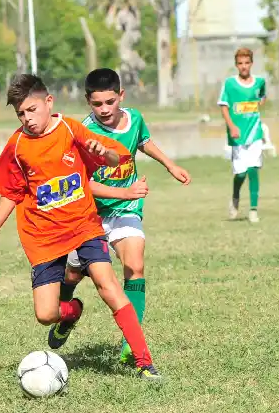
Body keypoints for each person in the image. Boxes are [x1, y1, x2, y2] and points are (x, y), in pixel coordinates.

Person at [0, 74, 162, 381]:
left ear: (48, 103)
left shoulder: (69, 127)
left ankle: (143, 362)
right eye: (21, 114)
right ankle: (72, 312)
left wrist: (101, 151)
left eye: (32, 109)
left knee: (109, 288)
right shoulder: (17, 146)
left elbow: (114, 155)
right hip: (42, 236)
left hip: (84, 224)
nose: (28, 119)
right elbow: (11, 193)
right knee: (46, 315)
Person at [59, 68, 190, 364]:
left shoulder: (135, 118)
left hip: (125, 211)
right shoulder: (83, 133)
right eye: (97, 104)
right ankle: (66, 312)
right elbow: (83, 184)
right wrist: (126, 192)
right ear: (88, 102)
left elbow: (143, 141)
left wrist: (170, 165)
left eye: (110, 102)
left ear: (121, 96)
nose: (104, 109)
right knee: (71, 274)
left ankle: (131, 345)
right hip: (89, 215)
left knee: (135, 265)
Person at [219, 47, 267, 222]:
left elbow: (262, 96)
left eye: (247, 63)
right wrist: (232, 125)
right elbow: (223, 106)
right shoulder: (230, 84)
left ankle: (253, 209)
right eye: (240, 63)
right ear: (236, 65)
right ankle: (235, 196)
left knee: (254, 169)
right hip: (237, 136)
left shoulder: (260, 82)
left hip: (255, 133)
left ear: (252, 64)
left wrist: (257, 106)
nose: (244, 66)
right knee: (240, 173)